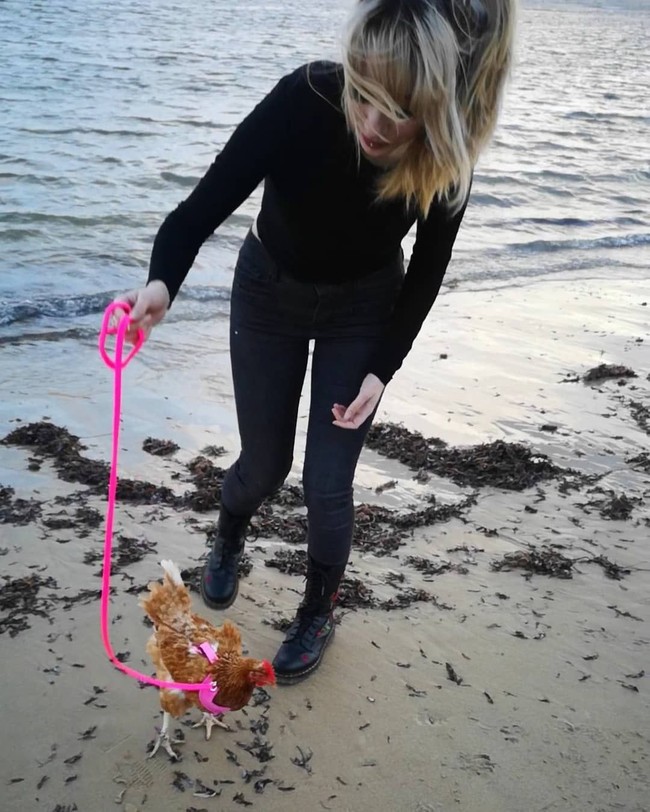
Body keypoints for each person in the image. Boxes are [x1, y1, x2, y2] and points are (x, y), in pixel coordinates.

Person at [118, 0, 516, 684]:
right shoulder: (305, 97)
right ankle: (229, 532)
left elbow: (426, 274)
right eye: (365, 98)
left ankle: (317, 611)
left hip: (363, 310)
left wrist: (381, 369)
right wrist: (161, 285)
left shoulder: (446, 157)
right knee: (265, 465)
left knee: (327, 485)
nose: (374, 125)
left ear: (433, 110)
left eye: (399, 112)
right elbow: (198, 209)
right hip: (268, 292)